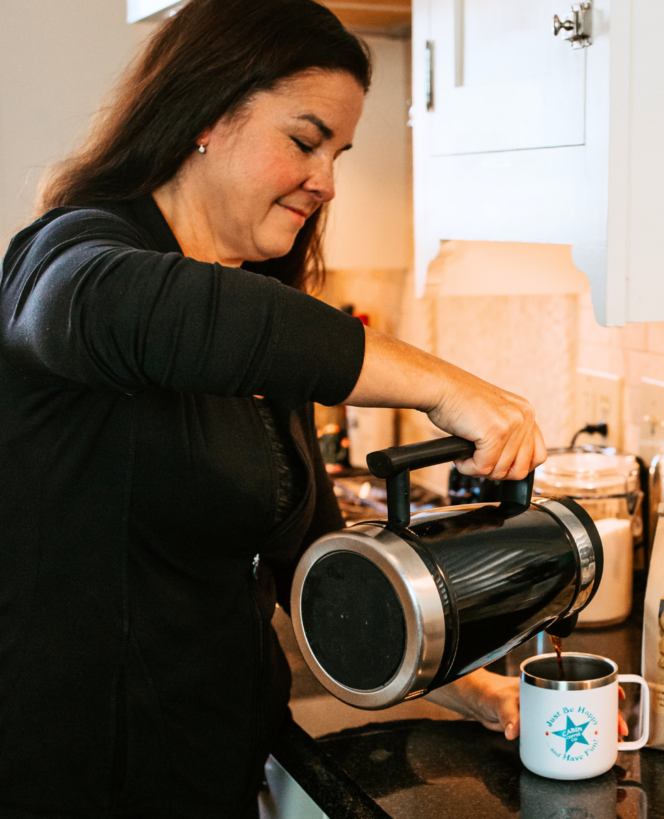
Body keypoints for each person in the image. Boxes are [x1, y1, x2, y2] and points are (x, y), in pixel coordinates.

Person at [0, 0, 545, 815]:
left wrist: (457, 679)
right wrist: (445, 385)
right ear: (206, 116)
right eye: (305, 140)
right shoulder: (70, 260)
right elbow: (158, 313)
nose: (327, 181)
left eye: (340, 152)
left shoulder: (260, 321)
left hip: (215, 765)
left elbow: (313, 559)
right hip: (80, 781)